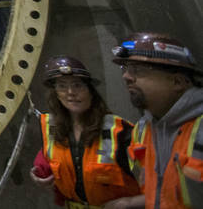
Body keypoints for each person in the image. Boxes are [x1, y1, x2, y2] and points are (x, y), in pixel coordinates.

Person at [30, 55, 141, 208]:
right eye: (62, 86)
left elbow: (164, 183)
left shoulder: (121, 131)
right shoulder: (52, 129)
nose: (70, 92)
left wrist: (131, 203)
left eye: (77, 85)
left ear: (90, 91)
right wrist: (38, 176)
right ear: (55, 93)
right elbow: (46, 164)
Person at [112, 32, 203, 208]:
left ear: (177, 82)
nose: (126, 77)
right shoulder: (143, 130)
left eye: (137, 70)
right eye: (126, 69)